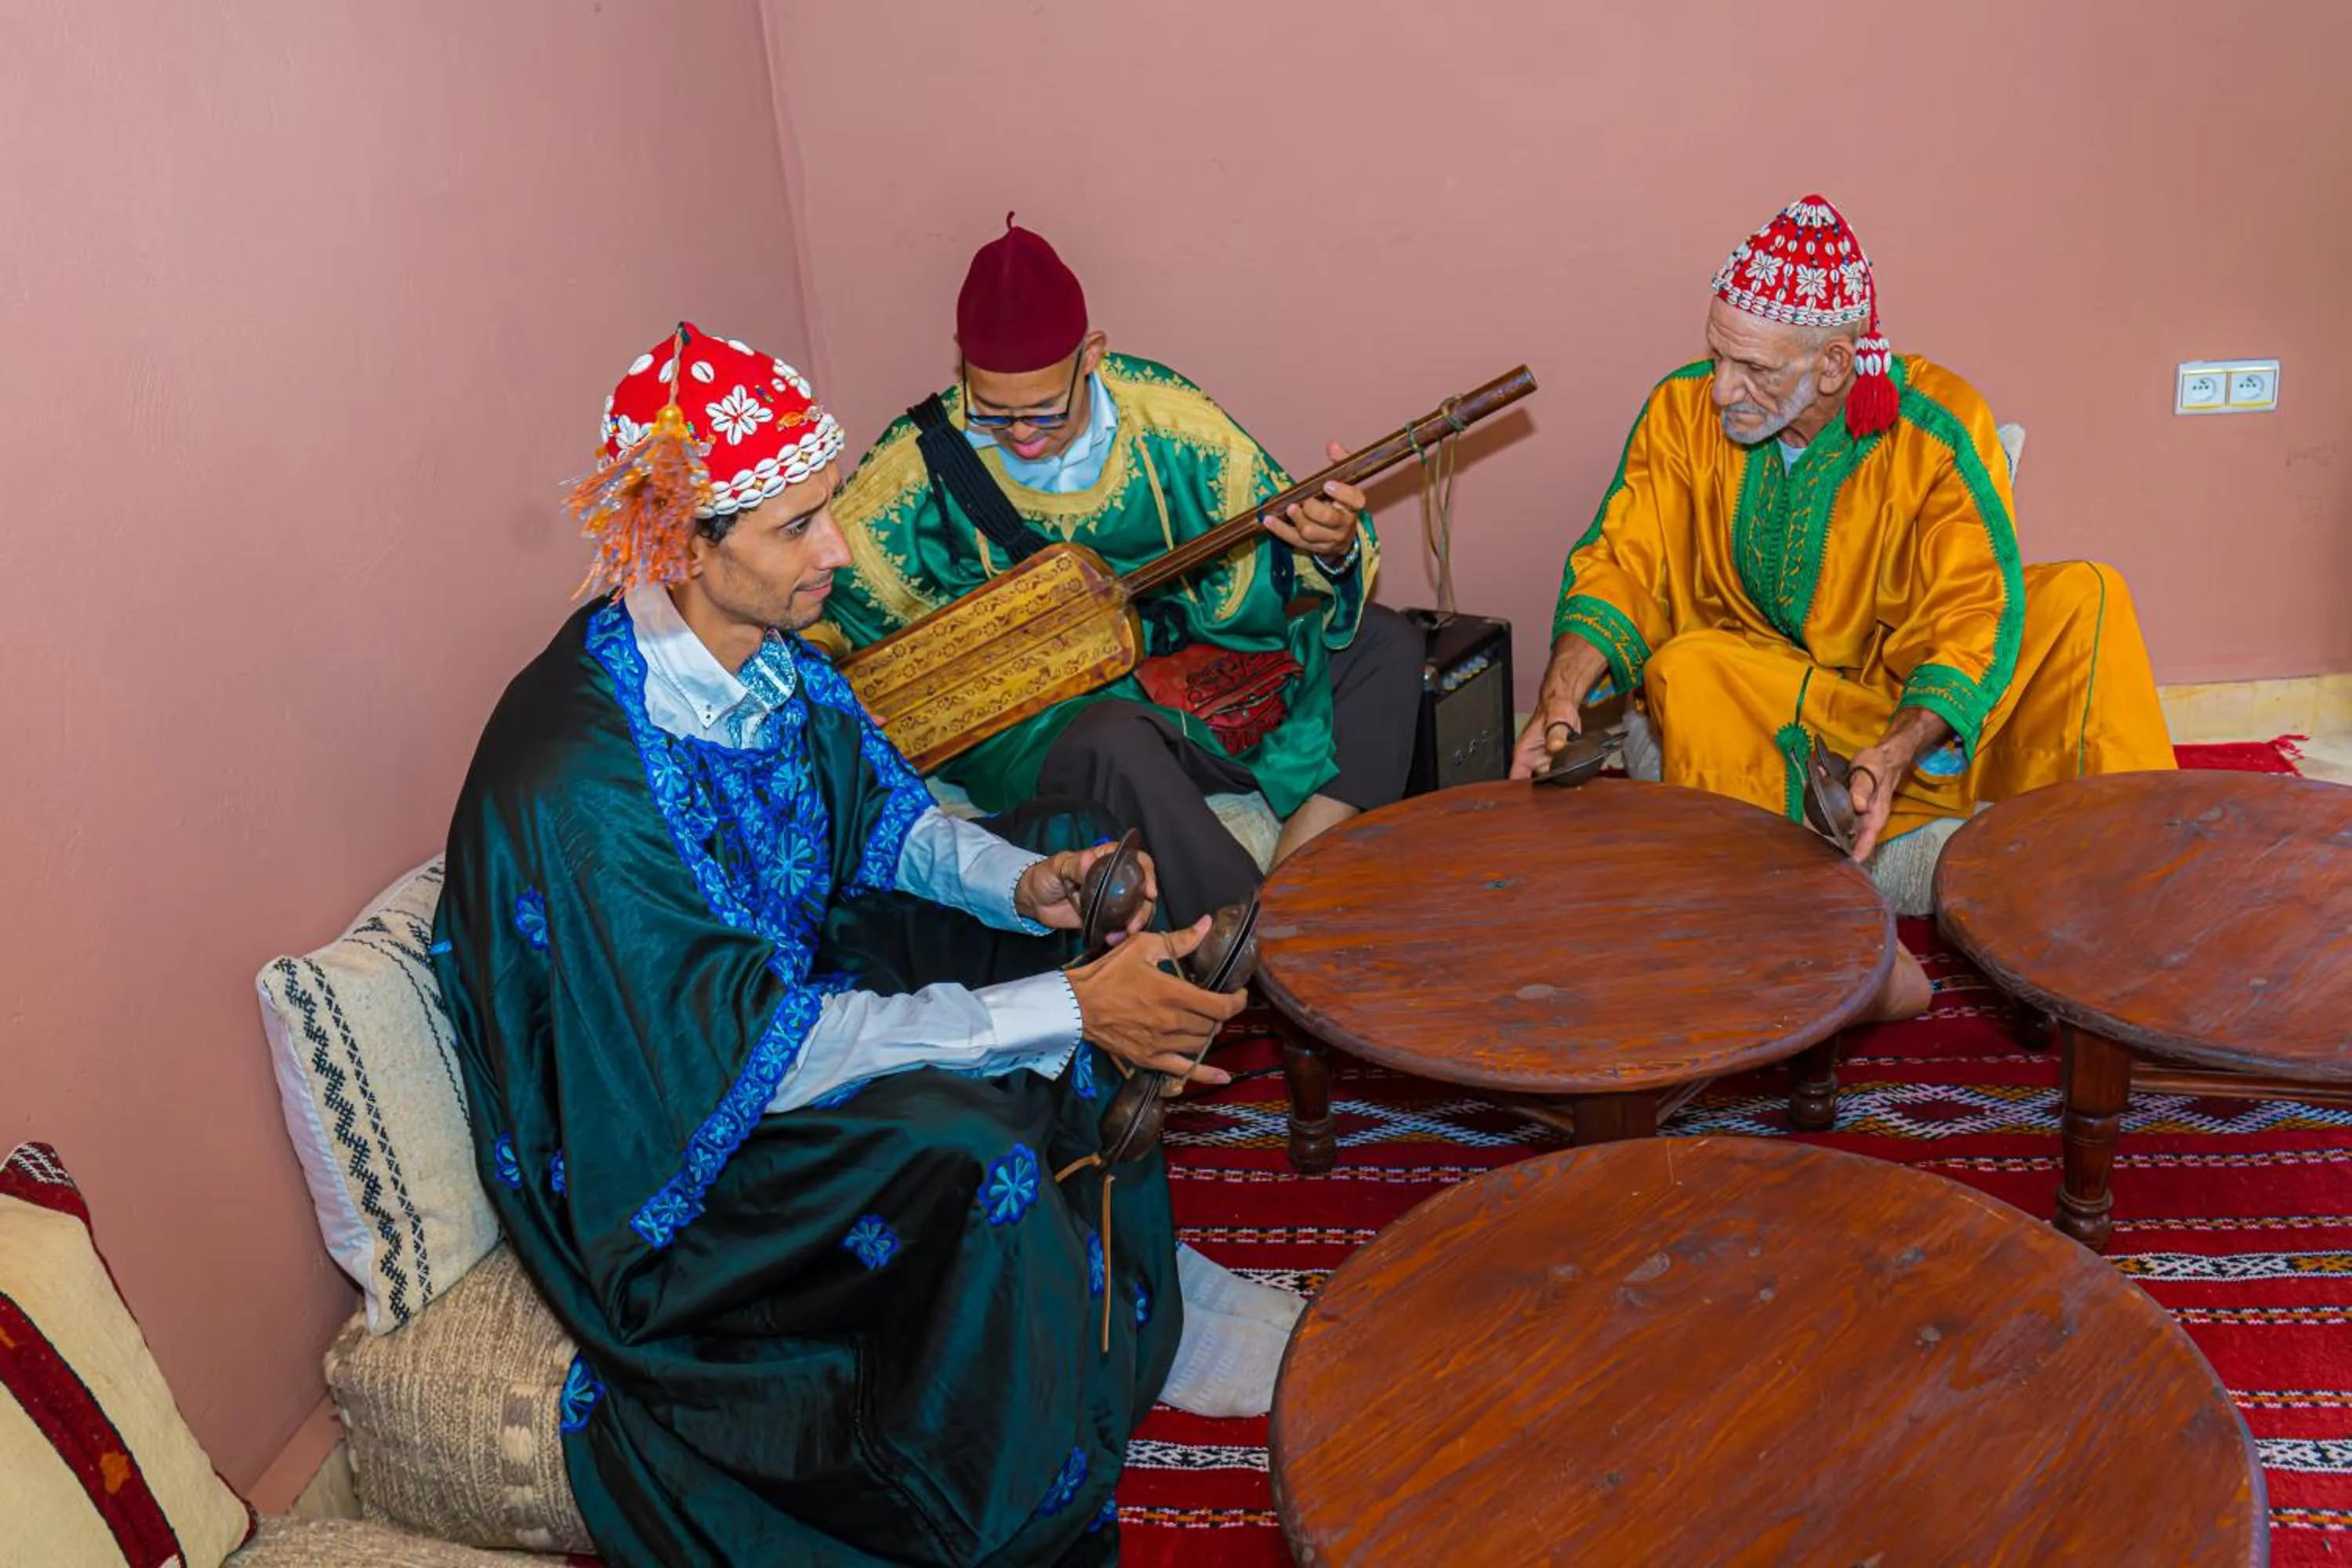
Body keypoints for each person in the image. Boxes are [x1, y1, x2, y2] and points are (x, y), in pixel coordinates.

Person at [432, 324, 1303, 1567]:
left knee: (1065, 849)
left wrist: (1036, 885)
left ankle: (1118, 1276)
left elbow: (890, 822)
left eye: (825, 510)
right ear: (684, 543)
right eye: (797, 527)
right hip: (682, 1130)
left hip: (775, 1001)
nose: (835, 549)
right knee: (972, 1136)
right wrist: (1064, 1006)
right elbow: (746, 1054)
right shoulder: (586, 788)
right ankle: (1021, 1423)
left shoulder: (765, 660)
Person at [1512, 194, 2173, 1022]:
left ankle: (2132, 911)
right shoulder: (1680, 413)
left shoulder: (1935, 423)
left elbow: (1975, 606)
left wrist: (1901, 745)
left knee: (2088, 595)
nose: (1721, 389)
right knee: (1688, 667)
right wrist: (1565, 687)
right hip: (1768, 696)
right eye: (1717, 356)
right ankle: (1788, 941)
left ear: (1833, 365)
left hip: (1909, 705)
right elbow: (1624, 560)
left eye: (1754, 369)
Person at [818, 217, 1424, 926]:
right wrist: (829, 673)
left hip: (1187, 665)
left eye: (1045, 411)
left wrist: (1331, 545)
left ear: (1092, 356)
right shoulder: (916, 467)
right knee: (1112, 737)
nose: (1021, 435)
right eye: (994, 413)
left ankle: (1295, 889)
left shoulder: (1172, 425)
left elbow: (1284, 553)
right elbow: (828, 605)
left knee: (1387, 642)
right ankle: (1251, 945)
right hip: (1039, 713)